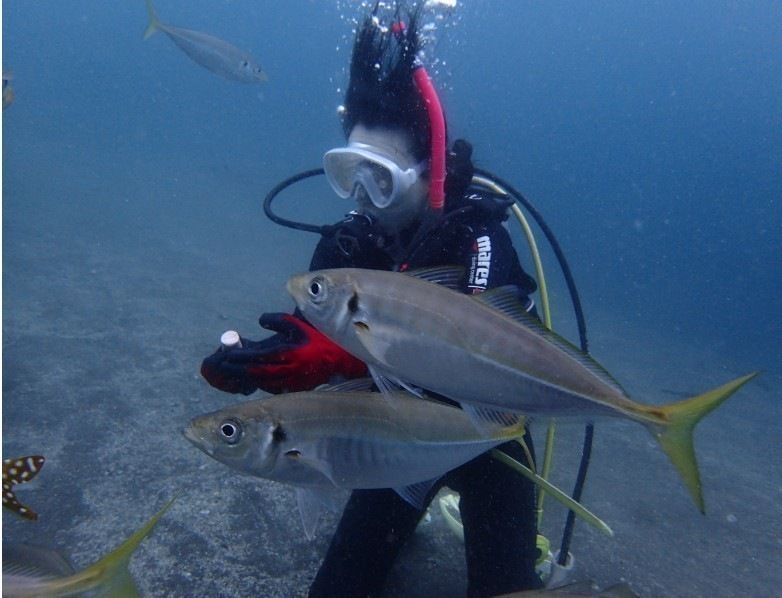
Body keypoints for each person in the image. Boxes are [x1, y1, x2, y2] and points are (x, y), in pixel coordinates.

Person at [201, 5, 545, 597]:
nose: (362, 195)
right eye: (350, 173)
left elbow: (501, 370)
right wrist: (272, 369)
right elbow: (320, 388)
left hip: (490, 444)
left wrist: (344, 357)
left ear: (428, 170)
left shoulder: (476, 238)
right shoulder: (347, 248)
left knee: (507, 589)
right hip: (389, 444)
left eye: (379, 177)